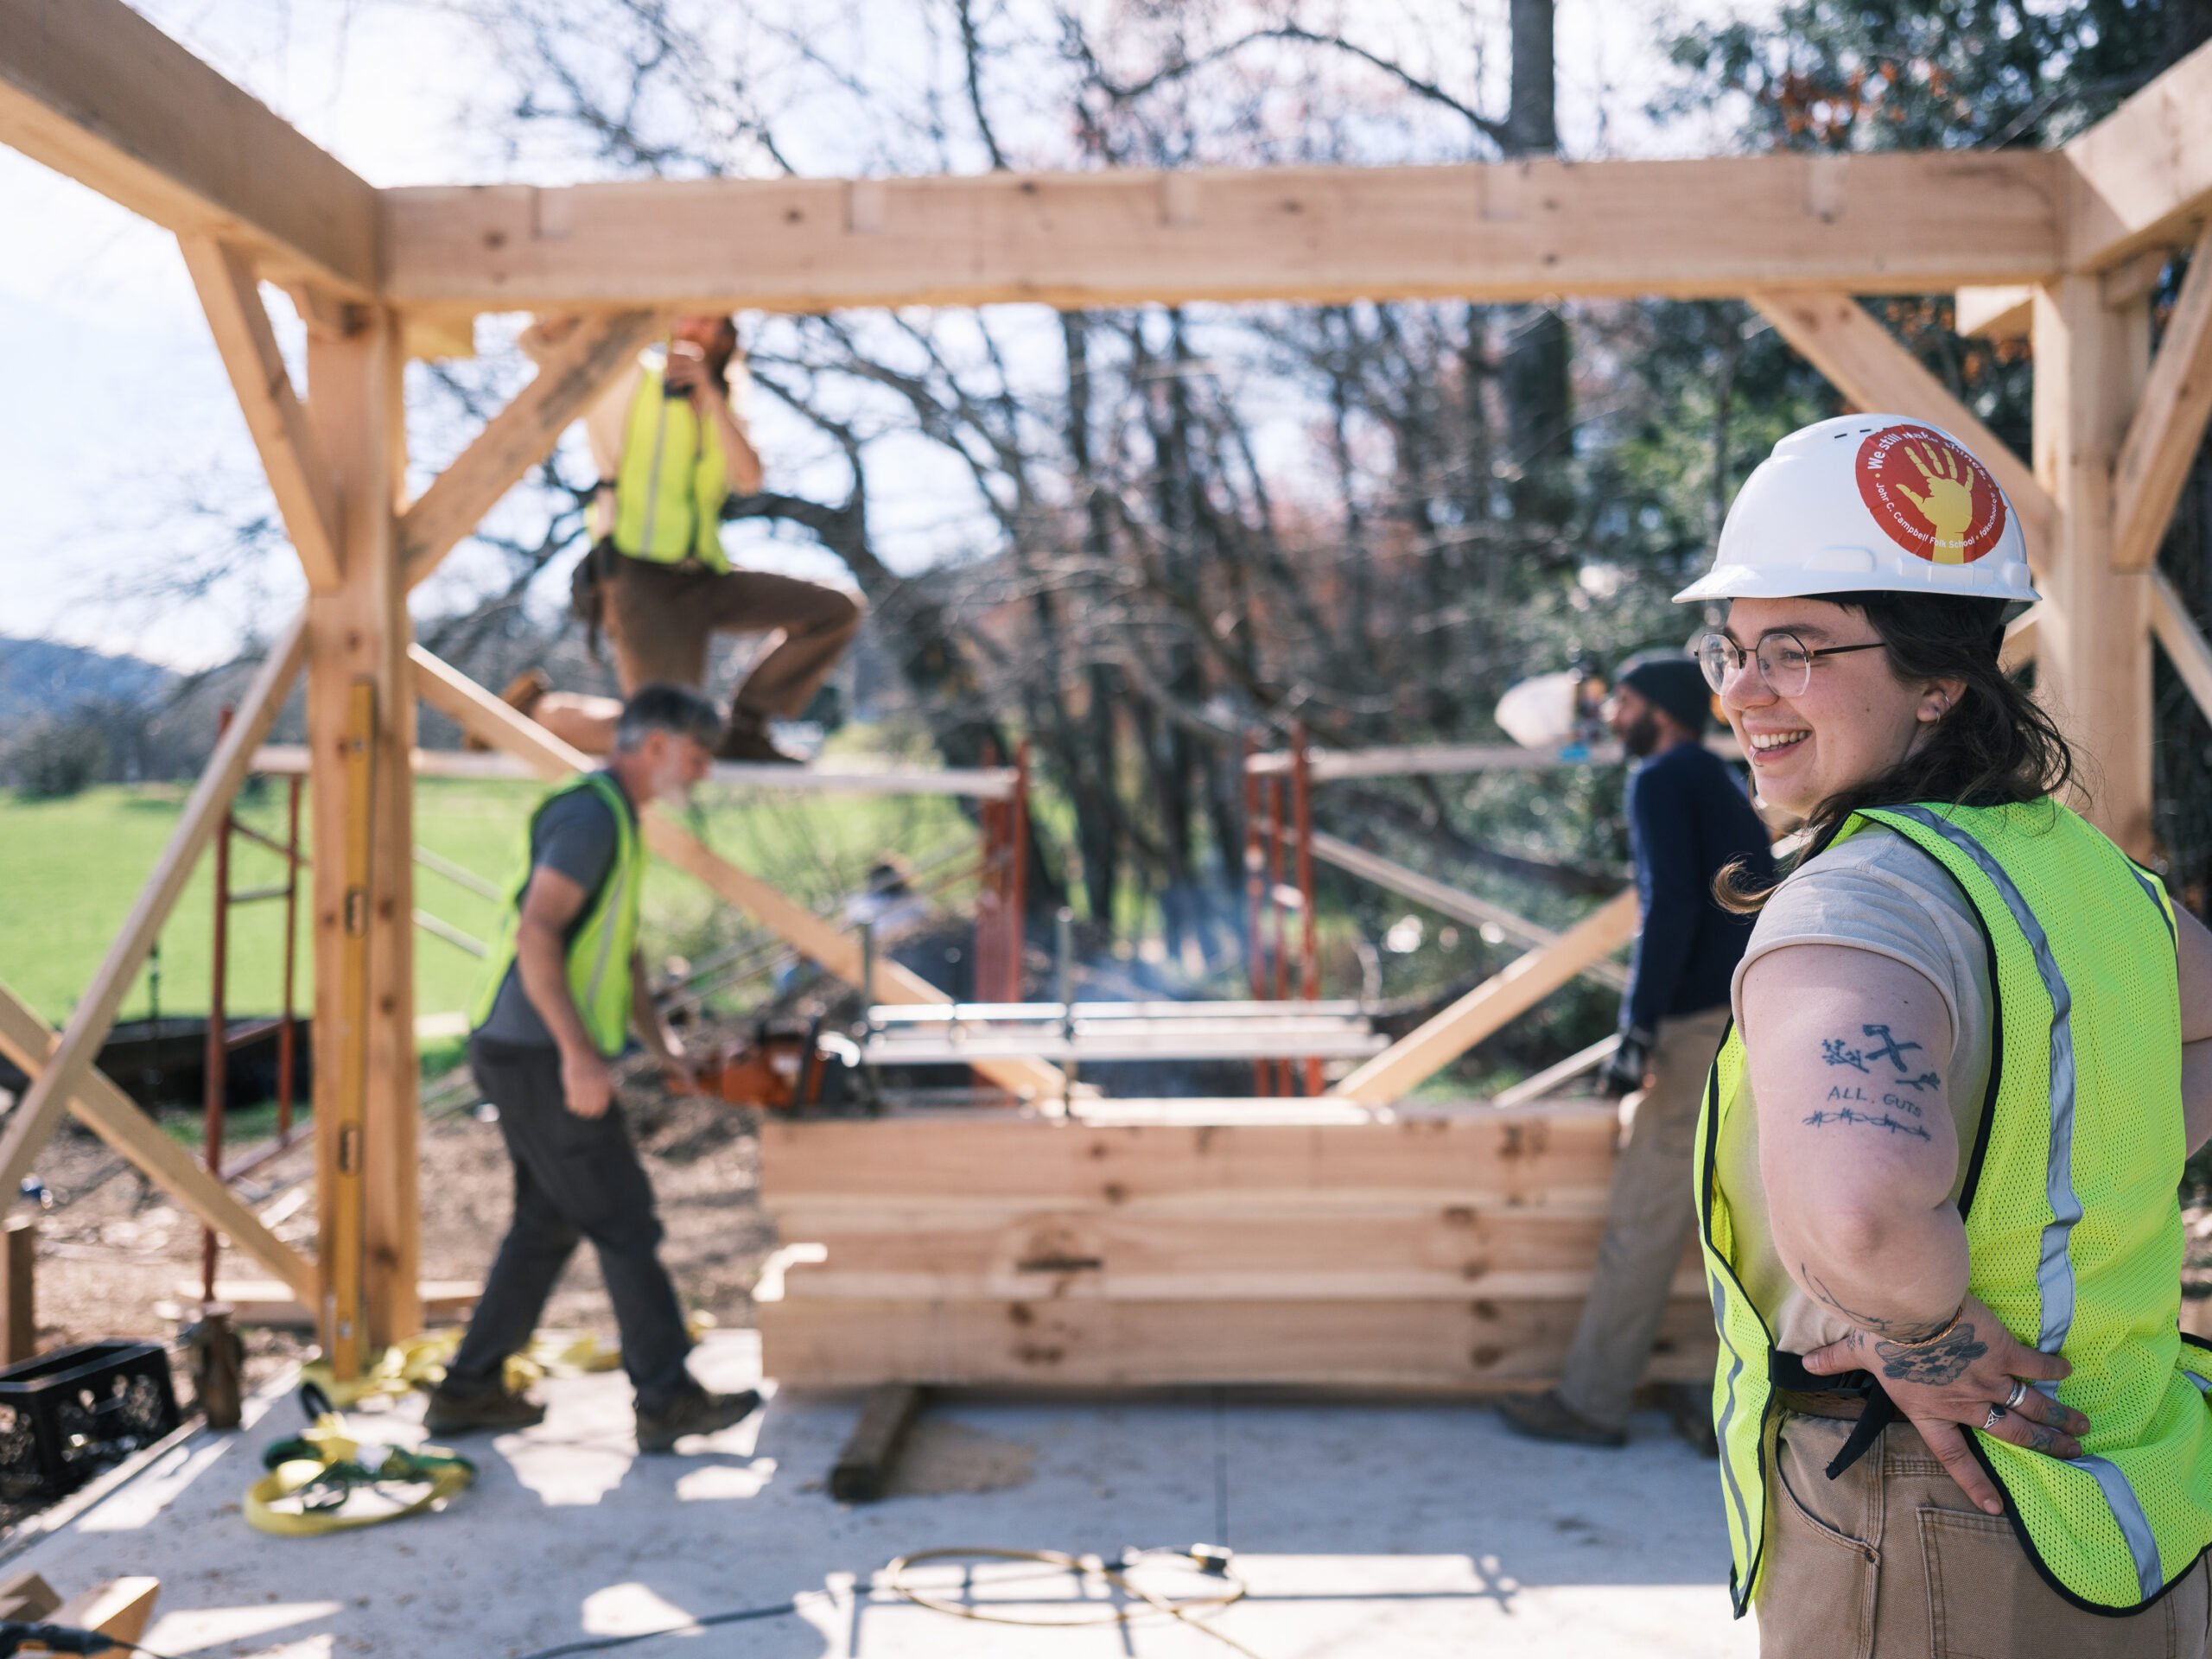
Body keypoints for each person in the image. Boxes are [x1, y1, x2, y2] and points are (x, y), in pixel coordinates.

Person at [1680, 414, 2212, 1652]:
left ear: (1939, 679)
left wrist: (1924, 1334)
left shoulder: (1855, 901)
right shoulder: (2086, 874)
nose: (1746, 691)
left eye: (1798, 649)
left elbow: (1861, 1212)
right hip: (2118, 1474)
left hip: (1930, 1501)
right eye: (1733, 648)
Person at [426, 683, 763, 1452]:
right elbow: (539, 936)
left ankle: (469, 1390)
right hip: (538, 1052)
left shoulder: (617, 817)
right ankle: (666, 1398)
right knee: (624, 1220)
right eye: (698, 756)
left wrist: (660, 1044)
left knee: (546, 1225)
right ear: (656, 746)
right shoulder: (589, 816)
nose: (703, 773)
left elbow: (621, 948)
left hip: (530, 1048)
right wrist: (581, 1055)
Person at [1498, 652, 1774, 1452]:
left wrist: (1638, 1029)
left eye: (1621, 702)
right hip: (1742, 1015)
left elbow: (1672, 910)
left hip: (1694, 1025)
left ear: (1657, 708)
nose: (1611, 716)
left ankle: (1593, 1401)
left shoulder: (1660, 778)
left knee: (1641, 1218)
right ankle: (1730, 1391)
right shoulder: (1719, 782)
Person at [511, 314, 865, 765]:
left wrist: (710, 396)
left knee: (834, 610)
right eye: (685, 316)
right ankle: (535, 713)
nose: (693, 327)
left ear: (725, 337)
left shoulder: (724, 405)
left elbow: (749, 477)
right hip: (641, 579)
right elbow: (542, 346)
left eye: (708, 321)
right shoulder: (632, 379)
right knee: (668, 736)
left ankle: (747, 725)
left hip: (705, 576)